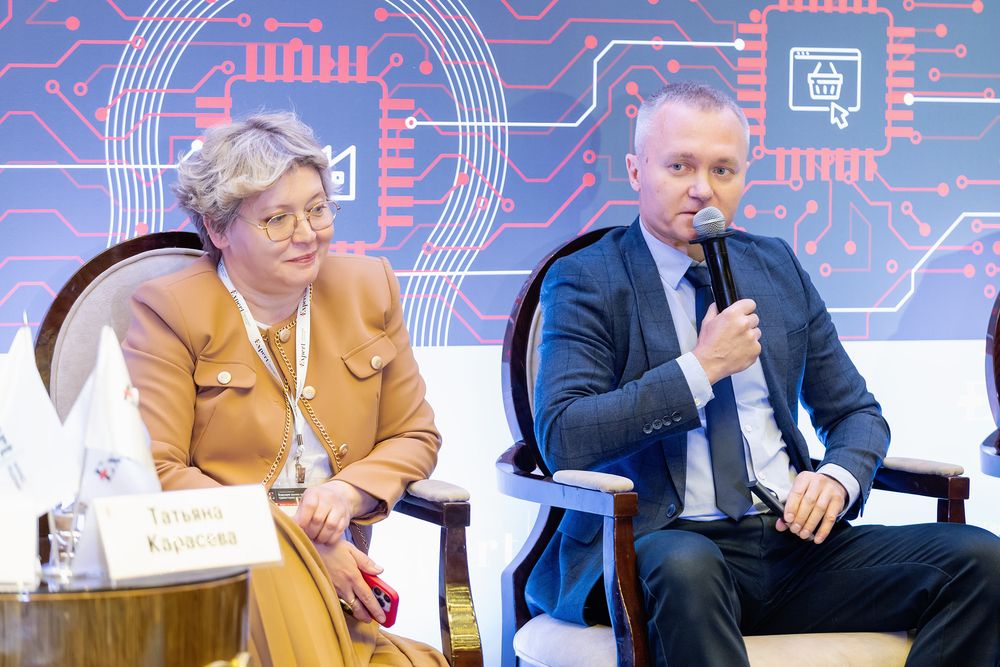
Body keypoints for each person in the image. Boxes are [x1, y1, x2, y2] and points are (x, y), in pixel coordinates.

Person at [525, 81, 1000, 665]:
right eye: (680, 166)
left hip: (787, 542)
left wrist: (837, 478)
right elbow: (564, 435)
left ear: (744, 177)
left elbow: (855, 413)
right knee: (686, 566)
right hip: (657, 545)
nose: (703, 189)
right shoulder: (588, 278)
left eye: (723, 170)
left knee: (979, 562)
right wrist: (702, 369)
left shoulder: (774, 266)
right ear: (636, 170)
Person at [122, 112, 447, 666]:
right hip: (226, 576)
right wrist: (297, 541)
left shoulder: (369, 287)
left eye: (317, 209)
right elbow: (156, 469)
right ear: (219, 229)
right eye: (278, 219)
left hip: (337, 583)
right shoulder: (171, 308)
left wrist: (345, 494)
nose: (307, 234)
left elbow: (414, 435)